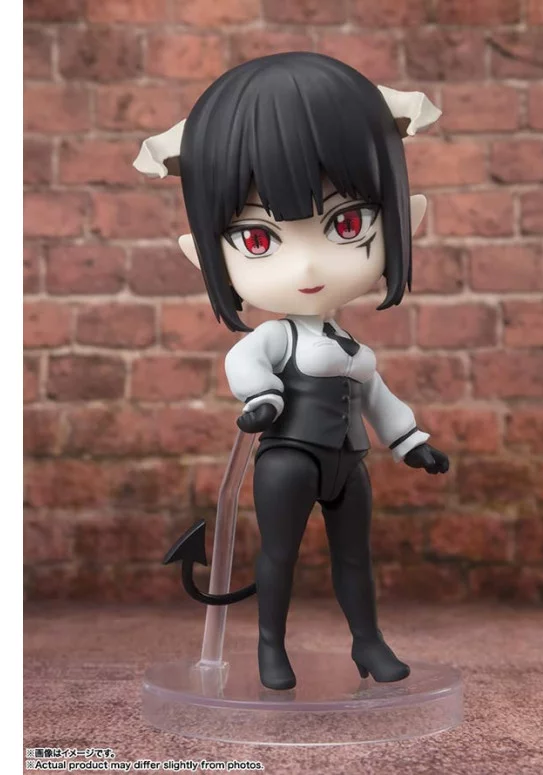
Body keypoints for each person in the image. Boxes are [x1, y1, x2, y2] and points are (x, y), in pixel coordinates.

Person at [134, 52, 449, 691]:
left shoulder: (354, 349)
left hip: (348, 462)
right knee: (280, 554)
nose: (307, 269)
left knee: (354, 558)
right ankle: (270, 649)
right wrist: (262, 399)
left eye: (347, 223)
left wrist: (412, 444)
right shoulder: (278, 336)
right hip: (289, 458)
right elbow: (244, 359)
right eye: (258, 239)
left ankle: (368, 642)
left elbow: (379, 398)